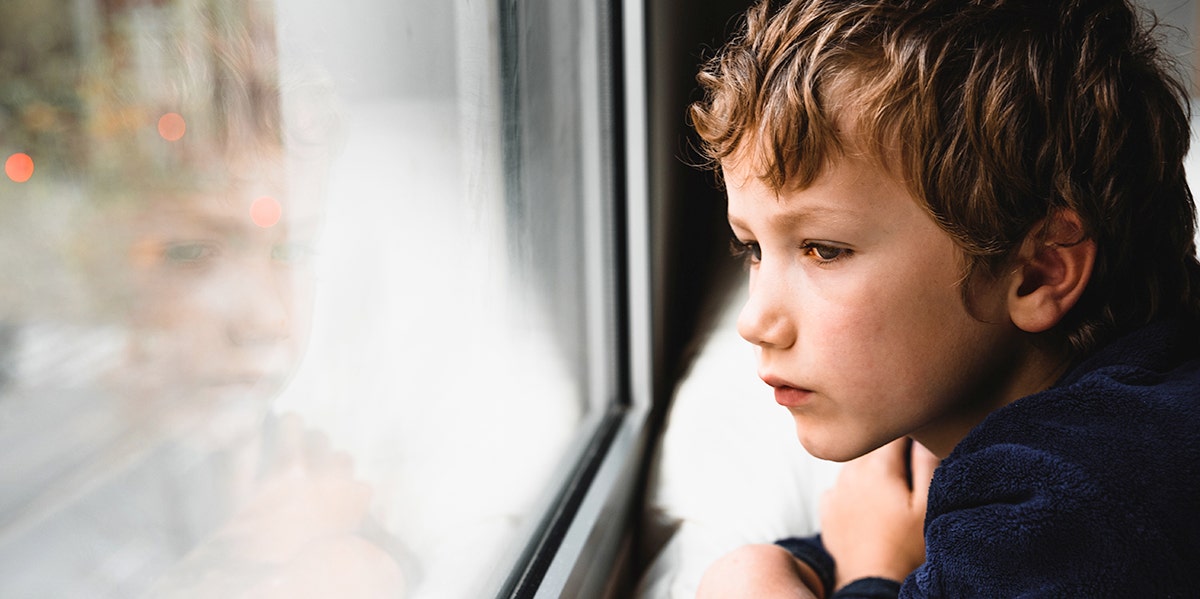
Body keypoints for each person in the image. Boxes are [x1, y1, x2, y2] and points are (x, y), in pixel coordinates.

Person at [688, 0, 1200, 596]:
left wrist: (870, 572)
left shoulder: (1070, 501)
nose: (756, 322)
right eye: (751, 247)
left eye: (824, 249)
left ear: (1037, 271)